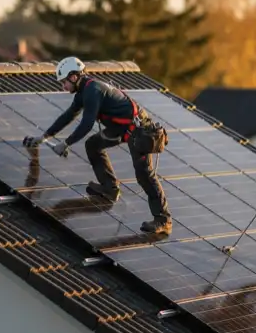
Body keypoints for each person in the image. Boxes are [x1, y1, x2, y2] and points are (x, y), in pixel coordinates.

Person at [21, 56, 172, 235]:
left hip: (139, 131)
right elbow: (68, 116)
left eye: (64, 82)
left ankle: (163, 220)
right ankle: (110, 188)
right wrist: (44, 137)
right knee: (93, 145)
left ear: (74, 77)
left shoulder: (92, 90)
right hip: (121, 128)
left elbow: (87, 123)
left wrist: (66, 143)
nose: (63, 87)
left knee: (144, 176)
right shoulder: (83, 93)